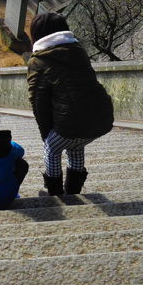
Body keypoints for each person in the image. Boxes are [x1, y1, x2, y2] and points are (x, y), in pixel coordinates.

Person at [26, 12, 114, 197]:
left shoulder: (38, 60)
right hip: (101, 118)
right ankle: (73, 192)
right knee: (75, 144)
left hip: (72, 124)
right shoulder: (78, 50)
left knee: (52, 148)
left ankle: (55, 193)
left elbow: (38, 101)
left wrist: (46, 134)